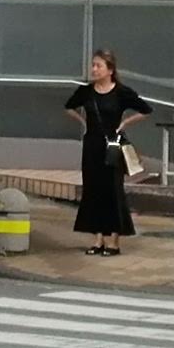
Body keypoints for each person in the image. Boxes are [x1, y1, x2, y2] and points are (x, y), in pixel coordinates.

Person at [64, 48, 152, 256]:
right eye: (93, 65)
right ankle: (98, 239)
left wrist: (125, 123)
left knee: (113, 190)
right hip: (92, 145)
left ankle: (114, 240)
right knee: (93, 190)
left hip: (112, 145)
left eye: (98, 66)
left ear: (110, 70)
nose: (94, 69)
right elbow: (69, 107)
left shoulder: (121, 92)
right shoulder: (86, 91)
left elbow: (145, 109)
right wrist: (84, 122)